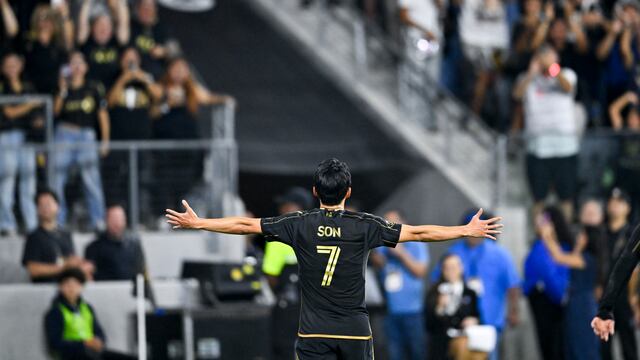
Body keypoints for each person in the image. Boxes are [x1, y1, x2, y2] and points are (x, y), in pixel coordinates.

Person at [165, 158, 503, 360]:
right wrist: (463, 229)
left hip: (313, 333)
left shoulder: (298, 224)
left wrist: (199, 222)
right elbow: (418, 233)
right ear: (349, 192)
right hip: (354, 332)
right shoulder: (364, 225)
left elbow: (244, 225)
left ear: (315, 192)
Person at [430, 209, 520, 360]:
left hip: (489, 320)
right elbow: (437, 282)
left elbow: (513, 285)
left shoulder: (499, 254)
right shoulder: (453, 253)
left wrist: (514, 311)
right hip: (458, 324)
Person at [152, 57, 232, 217]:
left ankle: (182, 212)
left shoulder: (191, 90)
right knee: (166, 181)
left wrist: (225, 100)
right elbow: (152, 113)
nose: (180, 72)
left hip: (188, 146)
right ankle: (164, 215)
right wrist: (167, 103)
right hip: (166, 146)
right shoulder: (160, 88)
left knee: (187, 181)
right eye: (176, 68)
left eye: (183, 69)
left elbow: (208, 98)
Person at [513, 45, 579, 220]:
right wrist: (531, 73)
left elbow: (567, 88)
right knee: (538, 199)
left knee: (566, 198)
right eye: (541, 57)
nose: (545, 60)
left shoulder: (568, 74)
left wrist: (553, 68)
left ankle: (566, 239)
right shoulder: (527, 79)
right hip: (538, 149)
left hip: (565, 148)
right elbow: (517, 95)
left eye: (549, 57)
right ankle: (540, 241)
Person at [54, 51, 108, 230]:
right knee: (57, 178)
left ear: (85, 67)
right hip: (65, 133)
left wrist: (105, 140)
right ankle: (58, 221)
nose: (76, 67)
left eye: (80, 63)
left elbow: (102, 115)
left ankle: (98, 220)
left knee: (91, 179)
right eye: (72, 63)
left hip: (87, 135)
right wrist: (62, 90)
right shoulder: (63, 87)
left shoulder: (93, 87)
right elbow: (55, 111)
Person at [539, 217, 605, 360]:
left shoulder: (587, 259)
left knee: (583, 347)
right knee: (572, 346)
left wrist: (547, 236)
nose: (578, 237)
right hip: (576, 304)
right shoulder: (581, 256)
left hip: (582, 306)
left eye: (582, 235)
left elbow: (559, 257)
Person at [103, 47, 160, 208]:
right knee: (116, 178)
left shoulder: (145, 79)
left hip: (141, 139)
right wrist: (123, 79)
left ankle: (139, 214)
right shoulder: (113, 77)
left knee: (139, 179)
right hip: (118, 139)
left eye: (133, 59)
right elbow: (110, 102)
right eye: (127, 59)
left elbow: (158, 95)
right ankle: (116, 212)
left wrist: (144, 79)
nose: (130, 62)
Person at [370, 210, 428, 360]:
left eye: (394, 223)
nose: (391, 227)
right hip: (390, 311)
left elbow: (420, 271)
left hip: (413, 311)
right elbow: (377, 264)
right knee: (394, 354)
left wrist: (400, 253)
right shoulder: (383, 245)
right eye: (387, 223)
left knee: (417, 352)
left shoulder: (416, 243)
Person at [262, 187, 312, 360]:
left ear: (298, 208)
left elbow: (271, 277)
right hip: (317, 307)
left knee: (284, 348)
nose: (281, 209)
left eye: (286, 205)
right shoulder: (318, 233)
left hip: (289, 306)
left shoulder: (279, 234)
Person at [522, 206, 571, 360]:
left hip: (555, 301)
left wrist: (560, 296)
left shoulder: (562, 247)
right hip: (543, 300)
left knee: (556, 346)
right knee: (548, 346)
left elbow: (552, 273)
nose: (538, 224)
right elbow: (530, 273)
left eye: (542, 220)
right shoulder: (538, 247)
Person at [0, 53, 40, 236]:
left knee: (28, 182)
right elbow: (8, 112)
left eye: (14, 64)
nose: (11, 68)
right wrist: (29, 106)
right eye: (8, 64)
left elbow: (37, 113)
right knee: (6, 181)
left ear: (21, 66)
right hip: (7, 136)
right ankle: (7, 224)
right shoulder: (2, 86)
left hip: (27, 138)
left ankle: (31, 225)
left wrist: (31, 111)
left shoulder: (28, 86)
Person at [22, 189, 94, 283]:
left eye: (48, 204)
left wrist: (81, 267)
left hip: (67, 289)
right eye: (41, 205)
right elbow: (33, 270)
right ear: (37, 210)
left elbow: (71, 261)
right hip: (43, 290)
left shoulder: (66, 235)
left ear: (58, 207)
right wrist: (63, 268)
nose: (45, 208)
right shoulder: (34, 237)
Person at [600, 188, 639, 360]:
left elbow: (635, 268)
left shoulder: (632, 232)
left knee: (628, 346)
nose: (614, 205)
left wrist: (635, 299)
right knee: (603, 347)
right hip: (605, 295)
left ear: (628, 208)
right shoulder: (600, 233)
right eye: (612, 201)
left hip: (626, 298)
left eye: (620, 202)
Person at [426, 253, 482, 360]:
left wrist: (474, 321)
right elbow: (429, 324)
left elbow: (478, 315)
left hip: (465, 343)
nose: (451, 271)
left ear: (461, 268)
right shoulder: (434, 292)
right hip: (441, 345)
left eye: (454, 267)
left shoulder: (470, 292)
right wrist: (439, 308)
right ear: (442, 270)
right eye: (447, 268)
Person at [44, 268, 106, 360]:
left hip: (92, 352)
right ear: (60, 287)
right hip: (72, 355)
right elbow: (55, 343)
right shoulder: (55, 312)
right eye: (68, 285)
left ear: (81, 287)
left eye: (76, 284)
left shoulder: (88, 308)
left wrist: (99, 341)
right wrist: (83, 343)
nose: (72, 288)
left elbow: (98, 331)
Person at [77, 0, 130, 89]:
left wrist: (121, 2)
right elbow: (82, 24)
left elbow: (124, 23)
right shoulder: (87, 43)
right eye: (99, 25)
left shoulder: (116, 42)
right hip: (90, 91)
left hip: (114, 90)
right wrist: (86, 3)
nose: (103, 29)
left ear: (112, 30)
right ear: (92, 28)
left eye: (107, 26)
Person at [85, 205, 146, 281]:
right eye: (113, 219)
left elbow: (142, 271)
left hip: (131, 290)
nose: (117, 223)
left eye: (119, 219)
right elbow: (88, 274)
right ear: (106, 221)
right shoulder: (94, 247)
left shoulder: (134, 245)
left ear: (125, 221)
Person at [23, 4, 72, 94]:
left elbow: (66, 66)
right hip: (32, 93)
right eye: (42, 19)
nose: (46, 23)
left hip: (55, 92)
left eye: (50, 19)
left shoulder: (59, 44)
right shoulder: (28, 44)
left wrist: (64, 82)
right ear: (36, 21)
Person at [130, 0, 169, 77]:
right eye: (144, 7)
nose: (147, 11)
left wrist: (165, 51)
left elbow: (175, 50)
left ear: (155, 10)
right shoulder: (131, 26)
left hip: (156, 76)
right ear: (138, 9)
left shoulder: (161, 28)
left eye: (150, 8)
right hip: (133, 74)